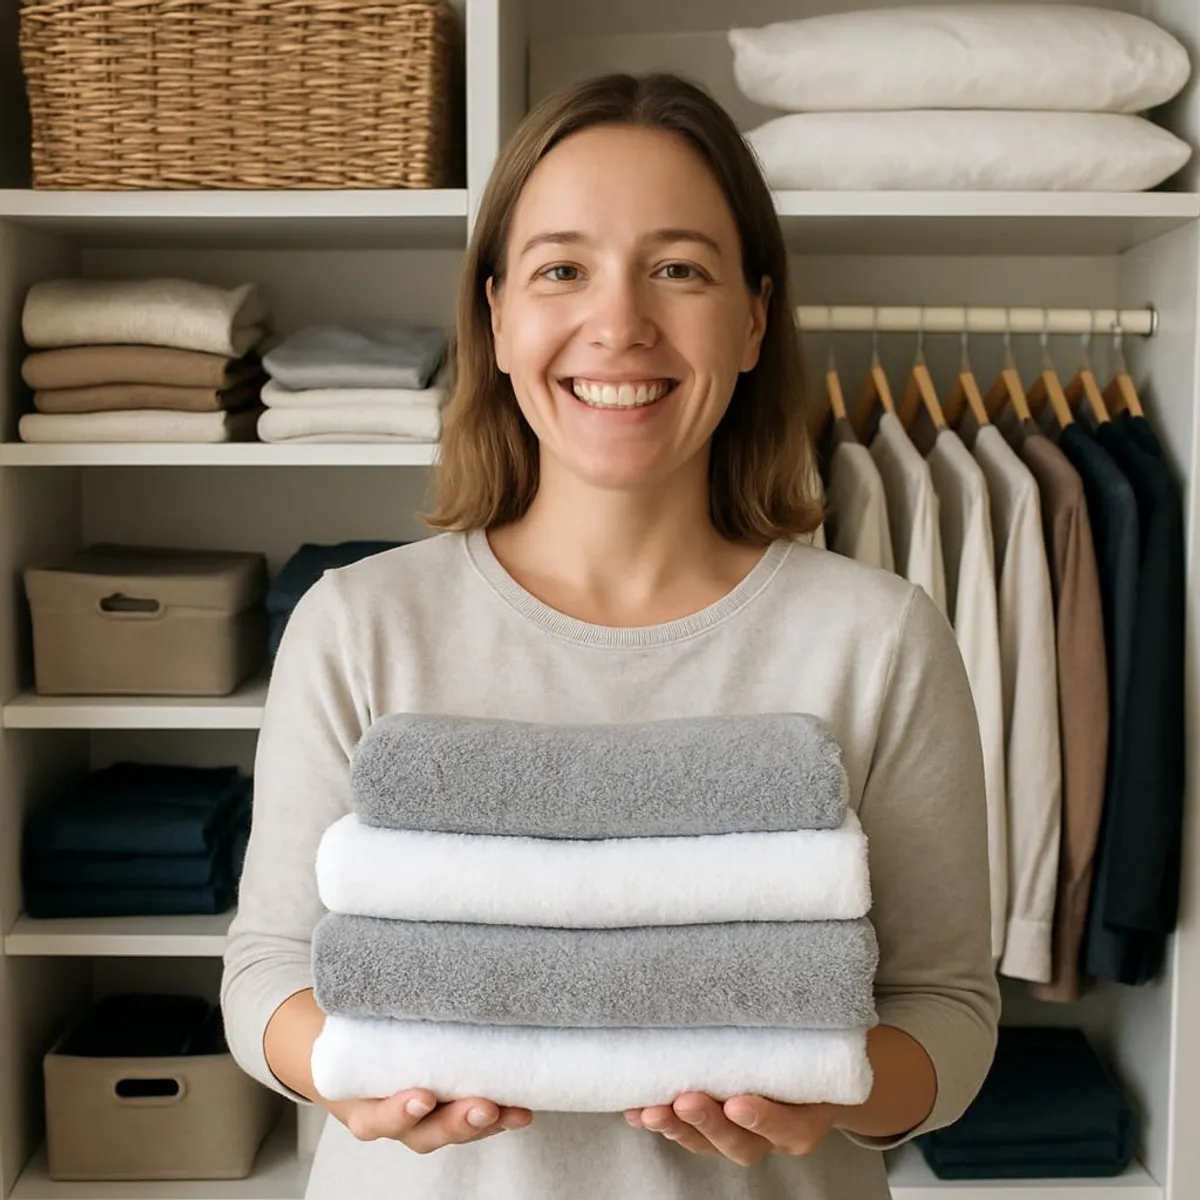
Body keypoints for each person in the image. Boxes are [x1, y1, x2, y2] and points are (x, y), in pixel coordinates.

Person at [221, 72, 1000, 1200]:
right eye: (561, 269)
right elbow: (267, 974)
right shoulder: (358, 627)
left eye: (678, 269)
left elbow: (950, 1017)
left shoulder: (875, 641)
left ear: (753, 318)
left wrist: (821, 1083)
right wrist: (347, 1075)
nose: (620, 324)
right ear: (496, 316)